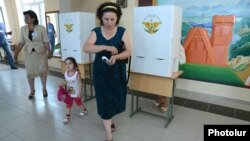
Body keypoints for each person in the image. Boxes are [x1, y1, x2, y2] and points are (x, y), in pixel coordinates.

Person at [83, 2, 131, 141]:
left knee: (116, 97)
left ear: (117, 19)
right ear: (101, 18)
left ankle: (109, 118)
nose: (109, 22)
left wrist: (116, 57)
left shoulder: (122, 31)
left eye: (112, 19)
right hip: (101, 72)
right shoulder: (96, 32)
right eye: (106, 19)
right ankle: (109, 136)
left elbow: (128, 51)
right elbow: (86, 48)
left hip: (117, 71)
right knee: (104, 99)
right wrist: (105, 46)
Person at [14, 10, 52, 99]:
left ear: (33, 18)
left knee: (43, 72)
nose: (25, 19)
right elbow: (21, 43)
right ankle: (32, 90)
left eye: (27, 17)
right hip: (29, 54)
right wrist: (16, 54)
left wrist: (49, 52)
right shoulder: (23, 29)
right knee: (30, 73)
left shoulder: (41, 28)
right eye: (24, 18)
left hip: (41, 54)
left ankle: (44, 89)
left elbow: (46, 41)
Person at [60, 57, 88, 123]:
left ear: (74, 65)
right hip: (70, 92)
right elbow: (66, 81)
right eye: (66, 64)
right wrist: (62, 84)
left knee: (78, 102)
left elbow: (80, 84)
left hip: (76, 92)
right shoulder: (65, 73)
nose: (68, 65)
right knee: (68, 104)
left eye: (70, 63)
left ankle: (84, 110)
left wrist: (79, 93)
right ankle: (67, 116)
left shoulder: (77, 74)